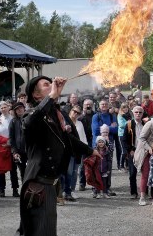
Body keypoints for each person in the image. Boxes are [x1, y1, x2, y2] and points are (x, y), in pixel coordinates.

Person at [17, 76, 99, 236]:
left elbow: (67, 139)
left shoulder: (56, 114)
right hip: (38, 183)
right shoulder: (31, 114)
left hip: (50, 183)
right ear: (36, 95)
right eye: (47, 85)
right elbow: (29, 123)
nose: (52, 86)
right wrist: (51, 96)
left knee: (39, 230)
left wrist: (90, 150)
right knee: (40, 231)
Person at [122, 106, 145, 199]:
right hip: (133, 151)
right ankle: (134, 192)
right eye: (136, 112)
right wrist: (129, 150)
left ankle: (144, 191)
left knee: (145, 172)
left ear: (142, 114)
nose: (138, 114)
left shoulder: (145, 124)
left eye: (140, 112)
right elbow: (123, 140)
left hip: (144, 150)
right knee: (132, 173)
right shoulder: (129, 124)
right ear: (133, 113)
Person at [9, 102, 27, 182]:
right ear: (15, 111)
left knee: (33, 172)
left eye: (20, 108)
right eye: (17, 109)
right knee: (23, 172)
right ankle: (25, 192)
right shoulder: (13, 122)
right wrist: (15, 152)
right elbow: (11, 139)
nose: (19, 110)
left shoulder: (30, 119)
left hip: (31, 151)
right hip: (20, 151)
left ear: (24, 108)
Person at [117, 103, 131, 172]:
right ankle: (121, 166)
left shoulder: (129, 115)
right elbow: (121, 124)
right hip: (122, 134)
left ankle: (127, 165)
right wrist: (129, 122)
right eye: (124, 107)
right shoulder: (120, 115)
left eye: (126, 107)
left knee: (128, 150)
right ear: (121, 109)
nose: (125, 109)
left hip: (129, 134)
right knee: (124, 151)